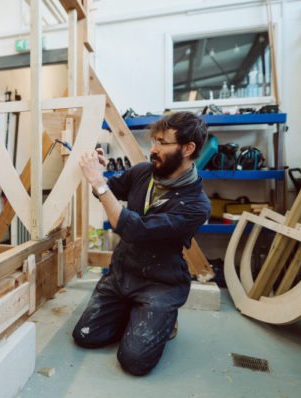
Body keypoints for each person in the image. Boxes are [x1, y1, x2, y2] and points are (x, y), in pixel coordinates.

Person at [72, 111, 211, 375]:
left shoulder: (196, 205)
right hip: (122, 273)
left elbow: (136, 230)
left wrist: (99, 183)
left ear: (188, 148)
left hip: (160, 282)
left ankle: (163, 318)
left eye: (162, 143)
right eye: (154, 141)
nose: (153, 149)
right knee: (85, 335)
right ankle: (134, 312)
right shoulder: (142, 173)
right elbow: (109, 190)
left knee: (134, 361)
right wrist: (99, 175)